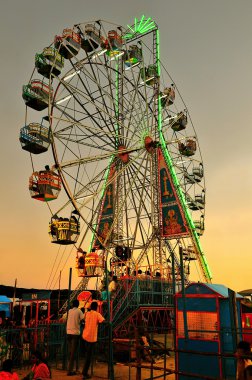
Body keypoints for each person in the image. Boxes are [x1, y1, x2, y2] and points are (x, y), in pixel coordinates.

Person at [82, 301, 105, 379]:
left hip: (85, 336)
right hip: (91, 338)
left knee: (87, 355)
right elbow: (103, 321)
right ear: (97, 307)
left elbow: (82, 320)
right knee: (89, 356)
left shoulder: (87, 314)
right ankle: (84, 373)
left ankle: (84, 371)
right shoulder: (97, 314)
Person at [66, 299, 84, 376]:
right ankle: (70, 371)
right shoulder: (79, 311)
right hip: (75, 334)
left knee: (70, 352)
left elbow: (64, 318)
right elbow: (83, 319)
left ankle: (70, 368)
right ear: (78, 304)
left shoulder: (69, 311)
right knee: (73, 353)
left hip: (68, 333)